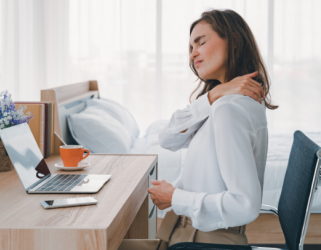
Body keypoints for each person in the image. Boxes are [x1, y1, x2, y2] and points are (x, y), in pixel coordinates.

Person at [118, 9, 278, 250]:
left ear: (233, 41)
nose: (193, 54)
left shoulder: (229, 109)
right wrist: (214, 94)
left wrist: (175, 197)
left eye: (200, 43)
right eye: (191, 48)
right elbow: (168, 138)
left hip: (205, 241)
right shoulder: (221, 103)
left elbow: (245, 204)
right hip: (189, 234)